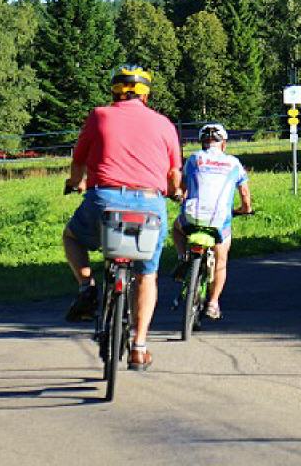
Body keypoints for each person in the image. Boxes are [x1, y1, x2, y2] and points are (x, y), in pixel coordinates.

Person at [63, 64, 182, 372]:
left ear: (114, 91)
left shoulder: (99, 116)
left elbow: (78, 162)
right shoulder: (164, 124)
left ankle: (87, 287)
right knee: (147, 275)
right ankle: (139, 348)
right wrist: (173, 192)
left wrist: (74, 183)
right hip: (150, 204)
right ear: (146, 94)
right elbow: (173, 174)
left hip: (104, 201)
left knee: (72, 236)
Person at [172, 123, 252, 320]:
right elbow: (244, 193)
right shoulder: (234, 163)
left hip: (192, 217)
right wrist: (245, 209)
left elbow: (183, 187)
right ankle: (213, 303)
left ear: (202, 142)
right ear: (223, 143)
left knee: (176, 227)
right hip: (219, 220)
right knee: (221, 260)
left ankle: (183, 257)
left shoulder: (194, 159)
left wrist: (181, 196)